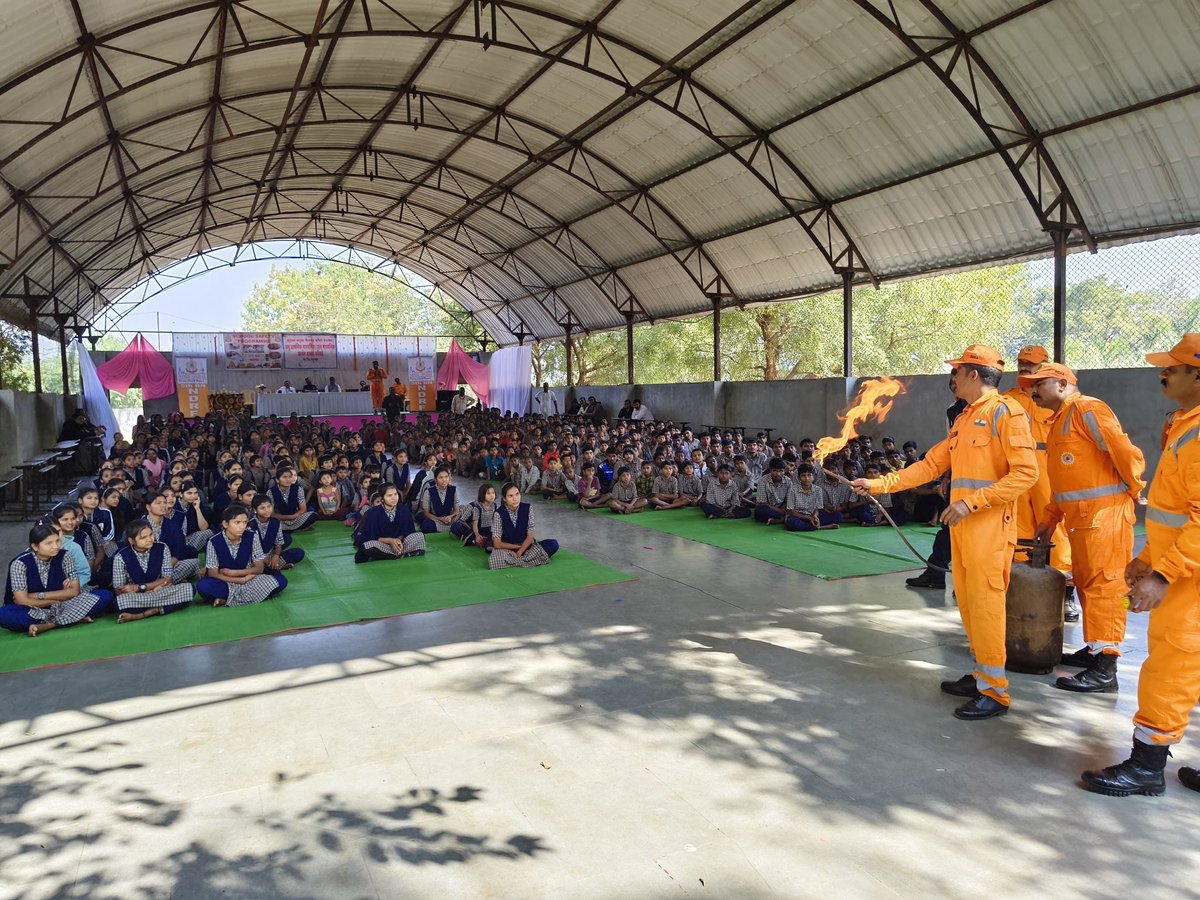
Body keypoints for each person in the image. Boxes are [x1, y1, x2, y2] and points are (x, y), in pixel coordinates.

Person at [852, 344, 1038, 721]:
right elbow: (930, 466)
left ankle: (996, 693)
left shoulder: (1007, 413)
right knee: (969, 607)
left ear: (973, 374)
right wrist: (879, 484)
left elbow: (1026, 474)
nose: (951, 378)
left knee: (986, 607)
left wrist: (971, 502)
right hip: (963, 531)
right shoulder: (965, 419)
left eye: (956, 371)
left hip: (987, 529)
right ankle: (982, 675)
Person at [1081, 334, 1200, 797]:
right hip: (1182, 566)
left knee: (1170, 666)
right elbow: (1175, 513)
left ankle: (1147, 767)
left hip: (1188, 580)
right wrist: (1148, 559)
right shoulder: (1185, 424)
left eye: (1173, 367)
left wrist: (1164, 575)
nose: (1162, 373)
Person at [1025, 362, 1145, 694]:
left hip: (1105, 519)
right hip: (1082, 522)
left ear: (1063, 384)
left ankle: (1107, 665)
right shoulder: (1059, 421)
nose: (1033, 390)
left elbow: (1123, 451)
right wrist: (1050, 519)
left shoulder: (1087, 409)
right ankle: (1096, 648)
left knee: (1108, 589)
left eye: (1040, 383)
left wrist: (1134, 487)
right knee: (1087, 586)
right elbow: (1066, 484)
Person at [1004, 345, 1076, 618]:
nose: (1025, 366)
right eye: (1022, 362)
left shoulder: (1056, 396)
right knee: (1019, 526)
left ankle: (1065, 593)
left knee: (1056, 529)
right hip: (1018, 467)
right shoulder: (1009, 398)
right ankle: (1021, 585)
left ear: (1045, 364)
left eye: (1031, 363)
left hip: (1048, 465)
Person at [1, 522, 115, 636]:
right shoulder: (20, 563)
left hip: (65, 605)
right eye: (49, 543)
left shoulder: (65, 556)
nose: (55, 546)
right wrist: (55, 601)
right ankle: (73, 618)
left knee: (105, 596)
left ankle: (50, 625)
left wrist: (37, 595)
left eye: (57, 541)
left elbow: (74, 591)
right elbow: (22, 601)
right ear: (35, 546)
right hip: (34, 608)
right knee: (4, 614)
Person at [196, 504, 288, 607]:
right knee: (203, 586)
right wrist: (240, 580)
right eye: (237, 522)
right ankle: (242, 597)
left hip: (250, 579)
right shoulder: (213, 541)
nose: (242, 526)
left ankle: (226, 599)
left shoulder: (252, 536)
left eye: (245, 522)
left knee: (281, 581)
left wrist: (233, 573)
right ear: (225, 524)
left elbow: (259, 568)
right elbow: (213, 574)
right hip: (225, 581)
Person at [112, 520, 195, 623]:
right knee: (120, 602)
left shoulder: (162, 548)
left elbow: (168, 579)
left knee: (189, 589)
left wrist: (140, 587)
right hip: (139, 596)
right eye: (143, 537)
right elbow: (119, 590)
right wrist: (150, 590)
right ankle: (161, 608)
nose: (149, 539)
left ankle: (147, 613)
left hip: (159, 591)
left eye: (151, 535)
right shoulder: (120, 557)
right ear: (131, 540)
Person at [489, 483, 559, 569]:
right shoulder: (498, 514)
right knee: (493, 560)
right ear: (504, 499)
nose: (515, 498)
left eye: (517, 494)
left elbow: (530, 536)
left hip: (527, 547)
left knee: (553, 544)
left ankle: (515, 561)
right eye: (510, 496)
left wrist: (520, 551)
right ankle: (529, 560)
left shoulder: (528, 508)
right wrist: (518, 547)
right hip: (507, 549)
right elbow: (497, 544)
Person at [354, 483, 427, 562]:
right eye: (389, 496)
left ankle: (392, 555)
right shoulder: (373, 512)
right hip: (382, 544)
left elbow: (408, 531)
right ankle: (401, 554)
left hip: (400, 544)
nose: (394, 498)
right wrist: (390, 541)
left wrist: (398, 541)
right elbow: (370, 536)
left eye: (395, 494)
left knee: (419, 537)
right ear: (382, 498)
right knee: (368, 546)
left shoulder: (404, 509)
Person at [251, 495, 305, 570]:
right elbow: (249, 548)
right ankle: (273, 567)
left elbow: (278, 543)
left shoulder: (276, 522)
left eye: (269, 506)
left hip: (269, 554)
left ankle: (272, 566)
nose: (267, 510)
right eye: (262, 508)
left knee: (298, 553)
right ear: (255, 510)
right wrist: (263, 560)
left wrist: (276, 556)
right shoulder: (249, 524)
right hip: (254, 558)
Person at [785, 464, 838, 531]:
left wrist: (815, 517)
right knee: (792, 522)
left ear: (813, 477)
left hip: (812, 515)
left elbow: (817, 508)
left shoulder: (818, 489)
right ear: (799, 478)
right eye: (803, 476)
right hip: (798, 516)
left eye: (809, 475)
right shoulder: (793, 490)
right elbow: (791, 511)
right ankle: (822, 527)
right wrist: (808, 518)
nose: (807, 478)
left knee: (838, 516)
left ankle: (811, 525)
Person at [269, 466, 318, 531]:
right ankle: (296, 528)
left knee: (312, 515)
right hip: (280, 519)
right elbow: (272, 514)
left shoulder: (298, 489)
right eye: (284, 477)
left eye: (290, 477)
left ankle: (287, 529)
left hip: (295, 518)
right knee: (270, 521)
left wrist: (294, 516)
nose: (288, 479)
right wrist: (289, 517)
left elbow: (303, 510)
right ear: (277, 480)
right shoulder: (270, 492)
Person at [419, 467, 460, 534]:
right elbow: (426, 513)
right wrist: (440, 519)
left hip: (449, 518)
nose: (444, 480)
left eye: (446, 477)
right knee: (425, 526)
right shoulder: (429, 491)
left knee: (463, 513)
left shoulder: (453, 490)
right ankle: (450, 528)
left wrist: (450, 517)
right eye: (440, 477)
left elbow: (456, 510)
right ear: (435, 479)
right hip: (436, 519)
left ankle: (450, 527)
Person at [461, 483, 499, 549]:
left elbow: (494, 521)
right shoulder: (477, 508)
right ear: (482, 495)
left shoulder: (494, 505)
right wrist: (477, 535)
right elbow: (475, 524)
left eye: (493, 493)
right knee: (481, 541)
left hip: (490, 530)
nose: (491, 495)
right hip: (480, 531)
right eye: (488, 493)